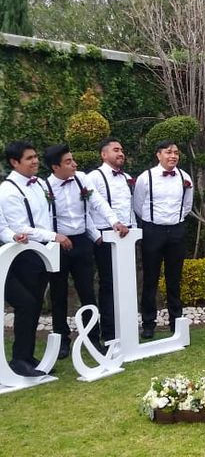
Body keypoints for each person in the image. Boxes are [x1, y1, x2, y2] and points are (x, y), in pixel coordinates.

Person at [43, 144, 129, 359]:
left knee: (88, 293)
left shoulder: (82, 178)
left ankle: (93, 338)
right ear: (55, 167)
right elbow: (42, 218)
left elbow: (98, 203)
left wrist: (113, 222)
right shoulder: (44, 187)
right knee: (58, 294)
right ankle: (62, 340)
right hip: (57, 243)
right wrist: (53, 237)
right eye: (69, 162)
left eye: (73, 160)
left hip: (82, 242)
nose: (75, 164)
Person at [0, 141, 71, 376]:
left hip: (44, 252)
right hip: (24, 254)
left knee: (34, 305)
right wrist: (53, 236)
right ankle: (20, 359)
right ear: (14, 162)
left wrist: (50, 239)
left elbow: (45, 217)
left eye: (35, 156)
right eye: (29, 158)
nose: (35, 161)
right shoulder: (8, 190)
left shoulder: (40, 183)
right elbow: (20, 227)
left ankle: (27, 356)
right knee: (26, 304)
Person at [133, 140, 193, 340]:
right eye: (168, 152)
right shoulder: (145, 177)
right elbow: (138, 205)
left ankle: (176, 321)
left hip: (176, 230)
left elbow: (187, 205)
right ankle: (148, 323)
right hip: (152, 231)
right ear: (158, 155)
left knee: (174, 278)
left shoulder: (185, 177)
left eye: (176, 152)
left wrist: (176, 221)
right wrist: (152, 223)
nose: (173, 156)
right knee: (150, 279)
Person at [86, 138, 136, 343]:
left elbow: (132, 207)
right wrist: (95, 236)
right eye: (116, 150)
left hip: (128, 236)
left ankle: (128, 330)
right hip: (105, 236)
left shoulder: (127, 177)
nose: (121, 153)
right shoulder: (93, 178)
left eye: (122, 149)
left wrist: (134, 230)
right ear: (103, 154)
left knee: (127, 283)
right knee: (108, 284)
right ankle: (109, 333)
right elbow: (87, 210)